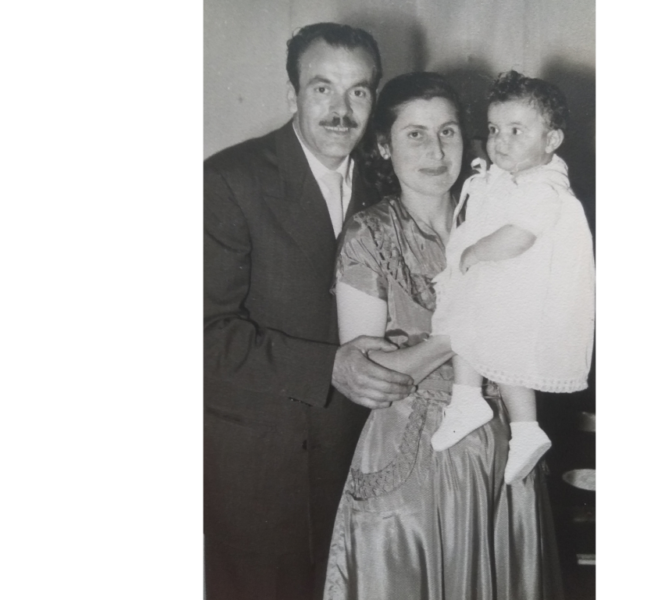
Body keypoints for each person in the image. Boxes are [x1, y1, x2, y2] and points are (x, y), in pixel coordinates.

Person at [323, 72, 563, 600]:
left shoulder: (500, 212)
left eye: (448, 131)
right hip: (414, 459)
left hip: (505, 451)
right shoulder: (371, 233)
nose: (436, 149)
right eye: (415, 134)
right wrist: (460, 333)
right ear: (383, 146)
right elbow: (372, 376)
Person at [204, 23, 414, 600]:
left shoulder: (387, 181)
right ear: (292, 94)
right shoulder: (227, 180)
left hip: (361, 465)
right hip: (258, 476)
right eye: (323, 89)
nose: (341, 111)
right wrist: (328, 367)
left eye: (359, 91)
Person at [430, 71, 596, 484]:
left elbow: (518, 237)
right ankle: (517, 426)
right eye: (493, 129)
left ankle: (479, 404)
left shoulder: (544, 188)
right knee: (498, 353)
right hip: (511, 291)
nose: (500, 141)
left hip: (516, 288)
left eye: (516, 131)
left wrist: (471, 255)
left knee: (475, 330)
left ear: (552, 140)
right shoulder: (515, 179)